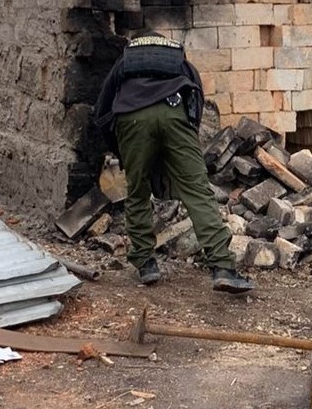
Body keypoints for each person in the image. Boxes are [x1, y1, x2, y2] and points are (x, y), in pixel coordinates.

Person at [94, 33, 254, 293]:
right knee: (197, 190)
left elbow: (102, 109)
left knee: (137, 192)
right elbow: (197, 95)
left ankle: (146, 264)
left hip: (132, 119)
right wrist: (189, 131)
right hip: (175, 113)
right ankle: (223, 268)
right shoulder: (176, 56)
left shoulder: (125, 60)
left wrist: (120, 148)